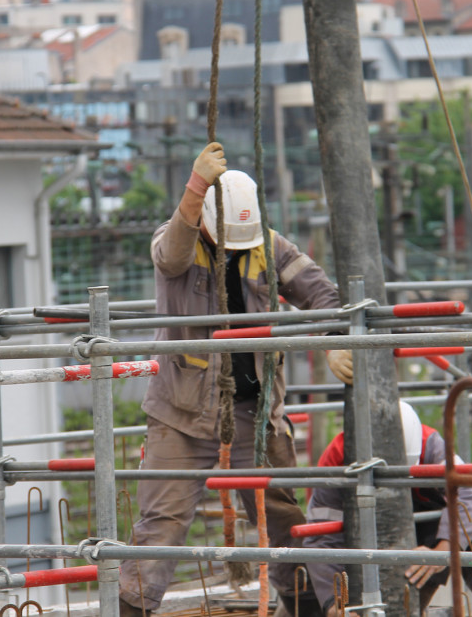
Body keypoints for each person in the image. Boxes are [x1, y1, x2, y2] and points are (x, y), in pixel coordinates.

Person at [118, 143, 351, 617]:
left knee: (284, 523)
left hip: (256, 414)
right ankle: (131, 610)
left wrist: (335, 340)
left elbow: (321, 293)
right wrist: (195, 186)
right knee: (161, 527)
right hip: (181, 414)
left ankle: (305, 609)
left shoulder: (267, 245)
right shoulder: (176, 240)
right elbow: (171, 256)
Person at [302, 395, 472, 615]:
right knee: (299, 574)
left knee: (441, 528)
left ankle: (410, 609)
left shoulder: (429, 445)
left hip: (419, 535)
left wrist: (441, 552)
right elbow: (321, 537)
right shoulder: (337, 458)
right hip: (357, 533)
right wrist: (335, 605)